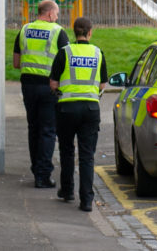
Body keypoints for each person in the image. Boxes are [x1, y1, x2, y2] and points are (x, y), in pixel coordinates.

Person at [49, 17, 107, 212]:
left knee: (66, 150)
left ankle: (67, 190)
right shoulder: (98, 53)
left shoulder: (64, 52)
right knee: (87, 155)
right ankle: (87, 200)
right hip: (90, 109)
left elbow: (53, 84)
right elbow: (102, 84)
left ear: (75, 32)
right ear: (90, 32)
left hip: (67, 108)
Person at [13, 0, 69, 188]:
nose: (57, 18)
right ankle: (43, 175)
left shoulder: (24, 30)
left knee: (34, 128)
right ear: (50, 13)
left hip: (28, 85)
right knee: (47, 130)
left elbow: (16, 62)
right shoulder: (57, 32)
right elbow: (66, 62)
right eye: (57, 14)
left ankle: (36, 169)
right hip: (48, 86)